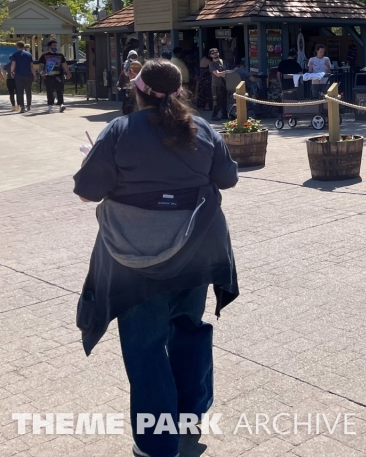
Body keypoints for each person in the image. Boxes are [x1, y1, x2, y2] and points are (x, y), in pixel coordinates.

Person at [73, 58, 239, 457]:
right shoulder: (203, 129)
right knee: (188, 327)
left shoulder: (119, 131)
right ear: (179, 91)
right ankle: (189, 416)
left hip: (135, 262)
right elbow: (228, 179)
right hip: (196, 253)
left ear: (139, 90)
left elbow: (86, 192)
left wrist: (97, 158)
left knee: (145, 346)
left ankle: (157, 443)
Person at [37, 39, 71, 113]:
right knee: (50, 91)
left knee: (60, 91)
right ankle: (50, 106)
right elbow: (41, 66)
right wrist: (42, 72)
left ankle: (61, 104)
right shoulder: (44, 56)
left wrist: (68, 72)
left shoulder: (60, 55)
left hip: (59, 76)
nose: (55, 47)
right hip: (48, 76)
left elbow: (64, 65)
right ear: (49, 47)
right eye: (54, 45)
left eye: (56, 45)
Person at [8, 41, 35, 113]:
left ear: (17, 46)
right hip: (28, 75)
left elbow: (13, 64)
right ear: (24, 46)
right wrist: (34, 74)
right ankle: (29, 105)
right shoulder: (28, 54)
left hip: (19, 75)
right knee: (28, 91)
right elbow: (31, 66)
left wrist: (11, 72)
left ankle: (22, 107)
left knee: (20, 92)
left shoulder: (14, 54)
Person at [208, 48, 228, 120]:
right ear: (210, 55)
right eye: (213, 53)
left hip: (224, 84)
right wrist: (227, 72)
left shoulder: (221, 61)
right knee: (216, 101)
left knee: (224, 101)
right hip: (216, 85)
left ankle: (224, 114)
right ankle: (214, 115)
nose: (215, 53)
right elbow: (217, 74)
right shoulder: (212, 64)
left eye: (216, 52)